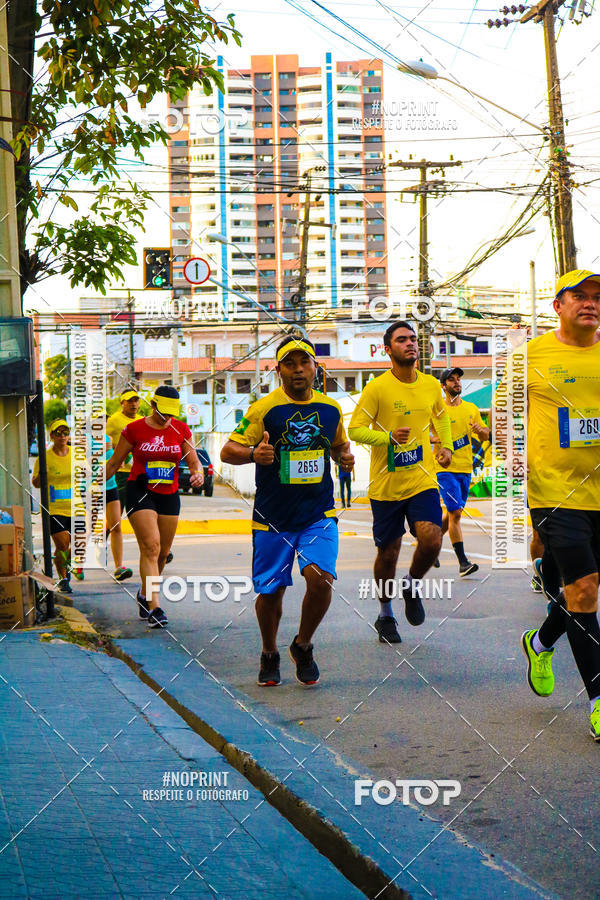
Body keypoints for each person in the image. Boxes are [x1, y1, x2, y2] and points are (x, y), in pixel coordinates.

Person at [220, 336, 354, 687]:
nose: (298, 370)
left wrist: (345, 458)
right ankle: (269, 652)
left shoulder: (331, 409)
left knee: (322, 578)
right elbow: (227, 450)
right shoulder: (263, 409)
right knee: (271, 593)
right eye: (289, 364)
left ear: (315, 367)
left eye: (304, 362)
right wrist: (252, 455)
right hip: (273, 517)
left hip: (318, 513)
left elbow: (339, 445)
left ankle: (303, 644)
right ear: (277, 369)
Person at [520, 269, 600, 741]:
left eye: (596, 297)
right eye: (580, 296)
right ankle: (598, 700)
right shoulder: (529, 356)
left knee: (578, 595)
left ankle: (542, 640)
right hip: (553, 491)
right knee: (586, 591)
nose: (590, 303)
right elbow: (508, 417)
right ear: (558, 306)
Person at [349, 321, 453, 644]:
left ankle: (411, 583)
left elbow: (442, 415)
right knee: (388, 553)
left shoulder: (430, 385)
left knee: (433, 540)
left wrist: (446, 446)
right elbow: (355, 430)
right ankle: (385, 613)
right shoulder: (376, 388)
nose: (410, 344)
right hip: (386, 486)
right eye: (402, 340)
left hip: (422, 480)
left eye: (412, 339)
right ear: (388, 349)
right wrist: (387, 438)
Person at [106, 386, 203, 628]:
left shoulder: (180, 429)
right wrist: (94, 490)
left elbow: (193, 461)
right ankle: (155, 607)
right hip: (140, 491)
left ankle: (144, 593)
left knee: (162, 553)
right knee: (151, 547)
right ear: (153, 404)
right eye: (163, 412)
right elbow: (115, 462)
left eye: (171, 412)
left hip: (169, 494)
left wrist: (197, 474)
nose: (167, 417)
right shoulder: (134, 429)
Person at [434, 367, 490, 576]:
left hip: (466, 468)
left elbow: (484, 436)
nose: (457, 383)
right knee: (456, 512)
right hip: (444, 468)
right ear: (443, 386)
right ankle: (463, 562)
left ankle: (430, 545)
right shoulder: (438, 410)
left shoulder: (471, 408)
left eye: (458, 379)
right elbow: (424, 433)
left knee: (452, 512)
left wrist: (482, 431)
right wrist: (435, 440)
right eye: (451, 380)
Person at [32, 419, 83, 592]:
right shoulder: (44, 457)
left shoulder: (77, 454)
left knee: (78, 545)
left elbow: (89, 475)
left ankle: (61, 563)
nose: (62, 436)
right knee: (62, 545)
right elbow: (36, 483)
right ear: (52, 436)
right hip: (54, 509)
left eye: (65, 433)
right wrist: (42, 475)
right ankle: (63, 578)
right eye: (58, 433)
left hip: (76, 507)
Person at [106, 389, 142, 511]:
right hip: (120, 473)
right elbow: (102, 440)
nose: (133, 404)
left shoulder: (143, 420)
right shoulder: (113, 420)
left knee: (139, 510)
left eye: (136, 401)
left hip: (139, 473)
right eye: (129, 401)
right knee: (116, 510)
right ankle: (109, 529)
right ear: (122, 403)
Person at [104, 433, 132, 581]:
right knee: (86, 531)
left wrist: (119, 460)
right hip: (90, 489)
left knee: (116, 526)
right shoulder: (81, 440)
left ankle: (119, 567)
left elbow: (119, 459)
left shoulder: (109, 439)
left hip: (110, 486)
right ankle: (75, 563)